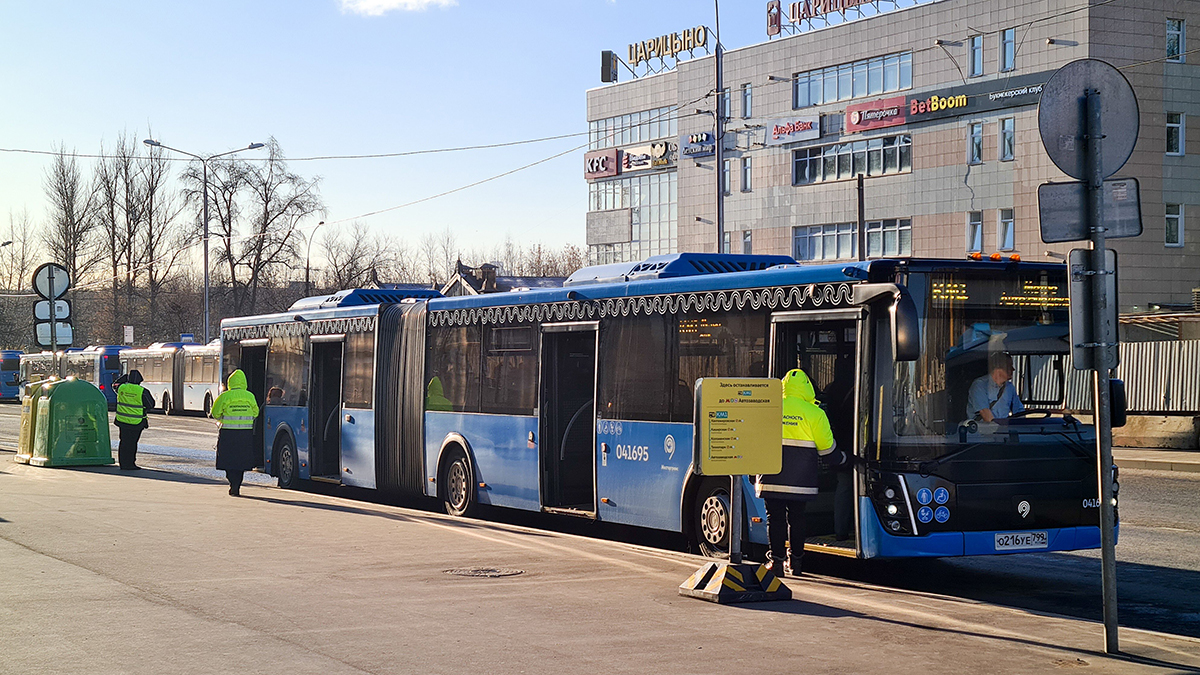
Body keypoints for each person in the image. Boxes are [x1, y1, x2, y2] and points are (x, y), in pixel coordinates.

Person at [757, 368, 845, 577]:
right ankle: (796, 562)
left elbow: (756, 442)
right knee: (797, 518)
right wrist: (846, 460)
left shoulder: (769, 408)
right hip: (801, 481)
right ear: (807, 388)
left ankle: (776, 563)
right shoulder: (815, 413)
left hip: (771, 477)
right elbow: (828, 451)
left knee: (774, 519)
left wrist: (754, 473)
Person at [210, 369, 261, 497]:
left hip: (228, 434)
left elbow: (215, 413)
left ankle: (232, 482)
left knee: (228, 461)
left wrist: (223, 418)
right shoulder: (250, 396)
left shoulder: (225, 396)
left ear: (230, 382)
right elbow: (256, 413)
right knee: (240, 462)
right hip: (245, 435)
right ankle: (236, 485)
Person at [966, 352, 1025, 422]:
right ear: (998, 369)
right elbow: (986, 415)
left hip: (1003, 427)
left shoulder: (1010, 387)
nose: (1013, 369)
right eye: (1009, 366)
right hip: (982, 428)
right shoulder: (979, 385)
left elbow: (1019, 412)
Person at [114, 370, 155, 470]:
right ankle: (130, 464)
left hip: (122, 421)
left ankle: (123, 463)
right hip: (136, 422)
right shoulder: (142, 391)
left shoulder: (122, 388)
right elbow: (151, 404)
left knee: (123, 442)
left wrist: (125, 377)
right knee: (132, 443)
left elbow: (115, 384)